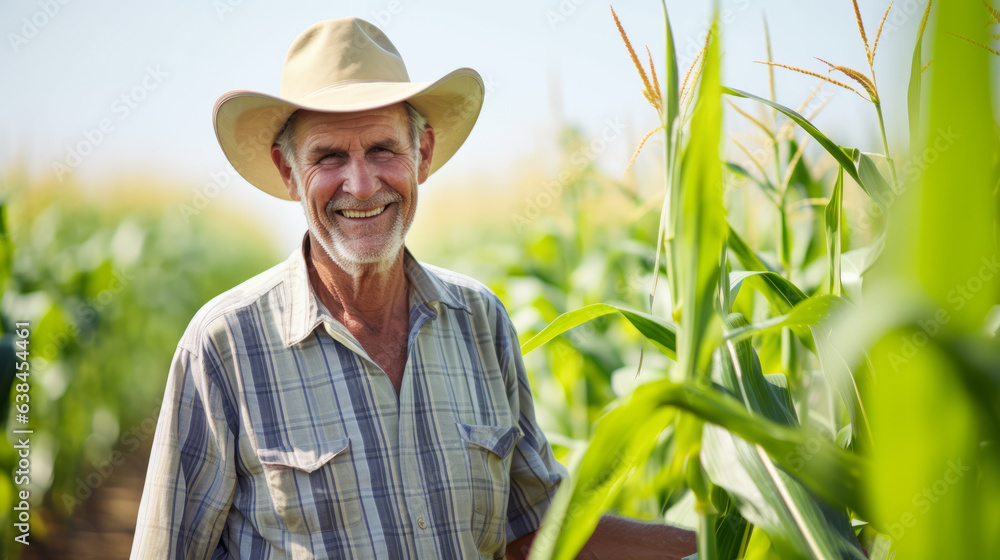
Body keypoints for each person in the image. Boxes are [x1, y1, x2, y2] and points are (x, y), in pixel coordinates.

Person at [130, 17, 697, 560]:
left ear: (421, 155)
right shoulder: (225, 344)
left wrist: (742, 539)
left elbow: (537, 532)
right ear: (287, 170)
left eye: (382, 149)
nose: (361, 184)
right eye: (329, 157)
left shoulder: (480, 321)